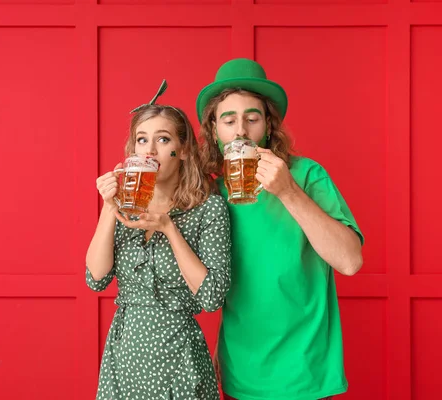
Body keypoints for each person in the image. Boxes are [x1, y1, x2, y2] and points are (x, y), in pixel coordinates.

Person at [196, 59, 364, 400]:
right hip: (240, 371)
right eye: (228, 120)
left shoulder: (306, 176)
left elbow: (350, 260)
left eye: (252, 118)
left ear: (268, 127)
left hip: (304, 372)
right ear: (215, 132)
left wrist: (287, 191)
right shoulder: (210, 192)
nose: (240, 130)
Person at [85, 80, 231, 399]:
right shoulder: (127, 206)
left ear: (183, 149)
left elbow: (211, 297)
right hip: (124, 359)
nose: (149, 151)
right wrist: (109, 208)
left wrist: (169, 228)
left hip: (179, 359)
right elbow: (95, 279)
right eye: (142, 140)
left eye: (163, 139)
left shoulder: (208, 208)